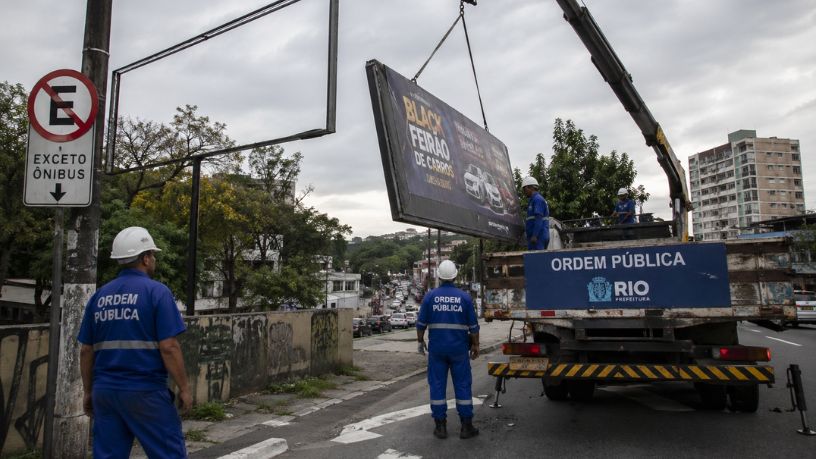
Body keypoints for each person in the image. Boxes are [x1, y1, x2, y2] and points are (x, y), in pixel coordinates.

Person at [78, 227, 192, 458]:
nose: (154, 260)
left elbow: (86, 350)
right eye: (153, 255)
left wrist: (88, 391)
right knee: (168, 454)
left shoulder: (99, 296)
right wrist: (184, 389)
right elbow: (169, 347)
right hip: (145, 392)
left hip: (105, 393)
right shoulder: (157, 292)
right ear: (145, 258)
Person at [417, 260, 480, 440]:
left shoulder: (430, 297)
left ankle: (440, 427)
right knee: (463, 385)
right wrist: (475, 345)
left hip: (437, 350)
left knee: (437, 385)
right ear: (455, 276)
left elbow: (421, 324)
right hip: (459, 350)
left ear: (439, 276)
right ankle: (466, 427)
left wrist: (420, 342)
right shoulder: (464, 297)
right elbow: (473, 327)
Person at [521, 176, 550, 250]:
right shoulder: (533, 200)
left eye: (524, 189)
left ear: (530, 187)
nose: (524, 192)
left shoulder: (537, 199)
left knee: (537, 257)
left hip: (538, 237)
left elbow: (538, 218)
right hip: (537, 237)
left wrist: (535, 235)